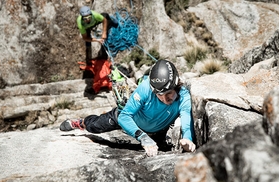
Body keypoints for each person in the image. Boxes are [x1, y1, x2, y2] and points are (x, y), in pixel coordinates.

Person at [59, 59, 196, 157]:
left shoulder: (183, 96)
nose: (166, 99)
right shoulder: (145, 89)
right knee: (95, 126)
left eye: (169, 93)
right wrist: (142, 136)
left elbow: (186, 119)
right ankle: (80, 123)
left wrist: (188, 139)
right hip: (127, 119)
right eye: (160, 95)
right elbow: (125, 117)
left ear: (176, 85)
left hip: (157, 131)